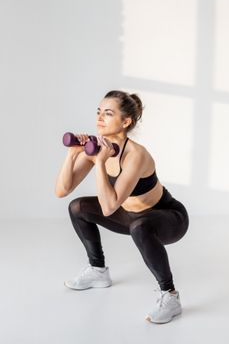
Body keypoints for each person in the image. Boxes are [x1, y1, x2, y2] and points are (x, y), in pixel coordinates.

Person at [55, 90, 189, 324]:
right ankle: (98, 271)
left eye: (108, 113)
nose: (99, 118)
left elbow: (108, 208)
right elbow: (62, 190)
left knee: (140, 226)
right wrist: (73, 154)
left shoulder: (136, 155)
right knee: (77, 207)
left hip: (168, 217)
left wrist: (99, 162)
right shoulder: (99, 148)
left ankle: (170, 295)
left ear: (125, 122)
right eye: (98, 112)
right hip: (131, 216)